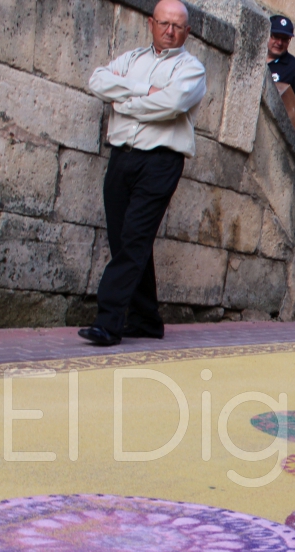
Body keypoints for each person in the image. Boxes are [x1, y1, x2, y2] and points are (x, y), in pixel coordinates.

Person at [78, 0, 206, 346]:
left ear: (187, 31)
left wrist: (124, 103)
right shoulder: (131, 59)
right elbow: (98, 80)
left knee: (133, 239)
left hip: (161, 162)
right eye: (164, 23)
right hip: (122, 157)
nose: (170, 31)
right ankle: (147, 318)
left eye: (178, 26)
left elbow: (172, 104)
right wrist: (139, 90)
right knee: (125, 239)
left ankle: (108, 323)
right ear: (151, 23)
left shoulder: (191, 68)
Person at [266, 16, 295, 118]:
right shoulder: (255, 56)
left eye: (285, 39)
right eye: (276, 36)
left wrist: (278, 105)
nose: (280, 43)